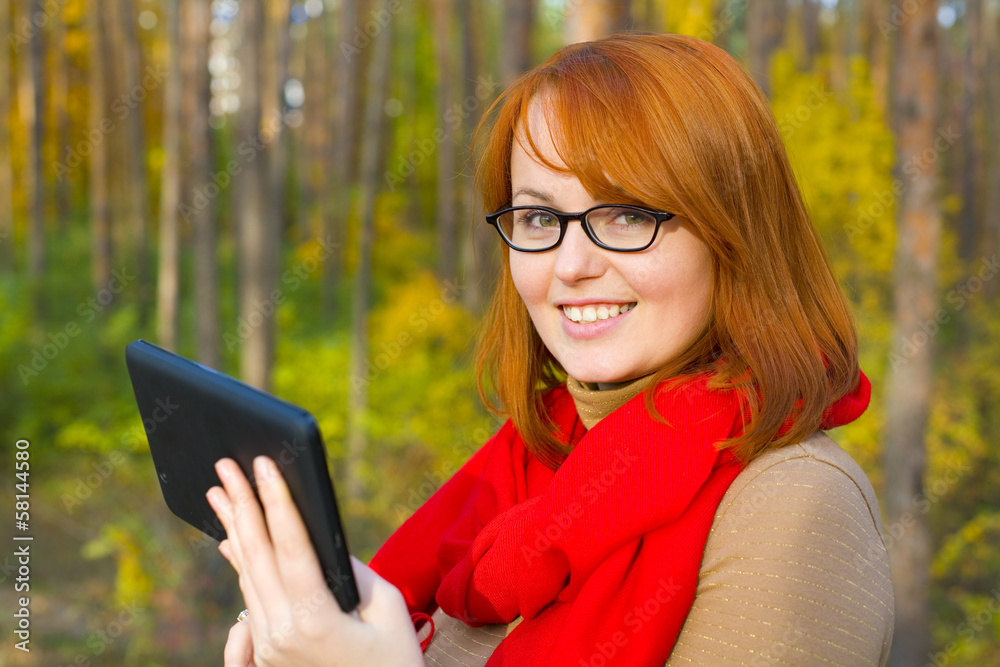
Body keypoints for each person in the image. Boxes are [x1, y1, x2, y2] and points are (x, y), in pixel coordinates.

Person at [206, 32, 894, 666]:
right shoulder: (529, 467)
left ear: (733, 234)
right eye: (539, 217)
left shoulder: (795, 504)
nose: (569, 264)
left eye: (626, 212)